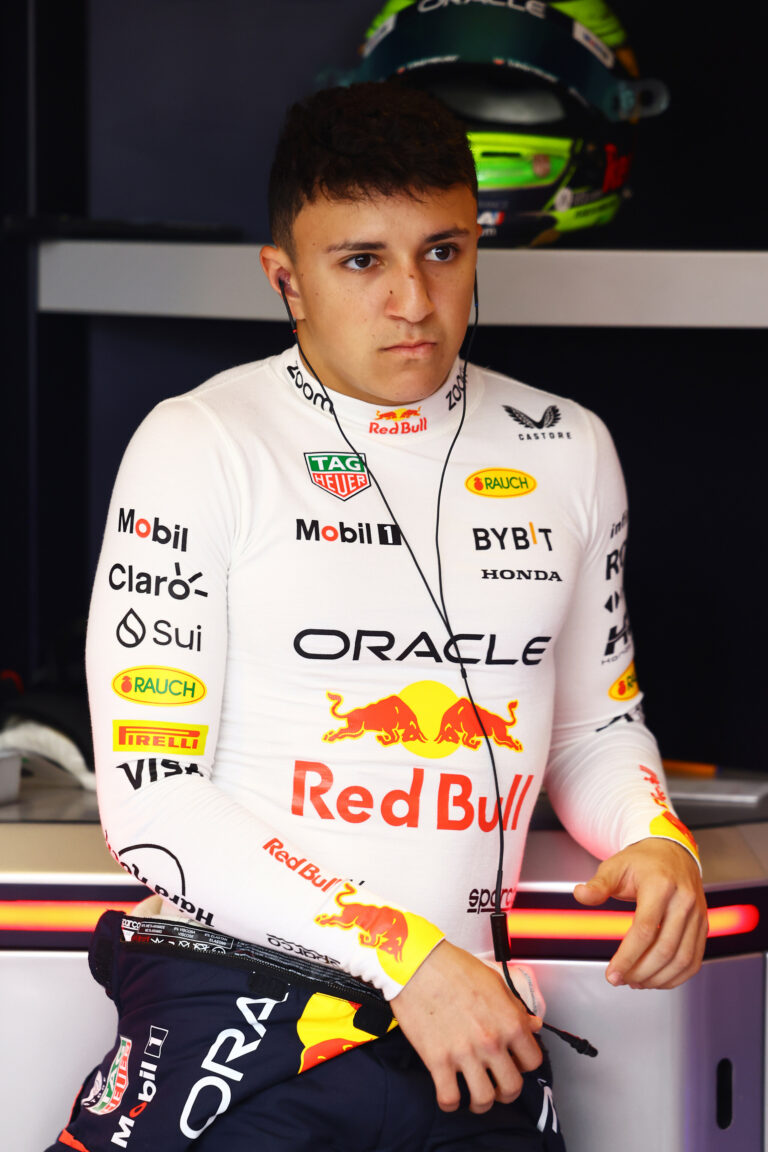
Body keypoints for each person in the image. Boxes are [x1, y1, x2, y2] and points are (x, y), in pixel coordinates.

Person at [47, 83, 707, 1152]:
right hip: (244, 1013)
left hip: (473, 1037)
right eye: (361, 260)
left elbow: (593, 725)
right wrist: (403, 955)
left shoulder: (566, 447)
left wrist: (654, 835)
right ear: (286, 280)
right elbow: (156, 805)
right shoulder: (200, 443)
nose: (411, 298)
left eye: (442, 252)